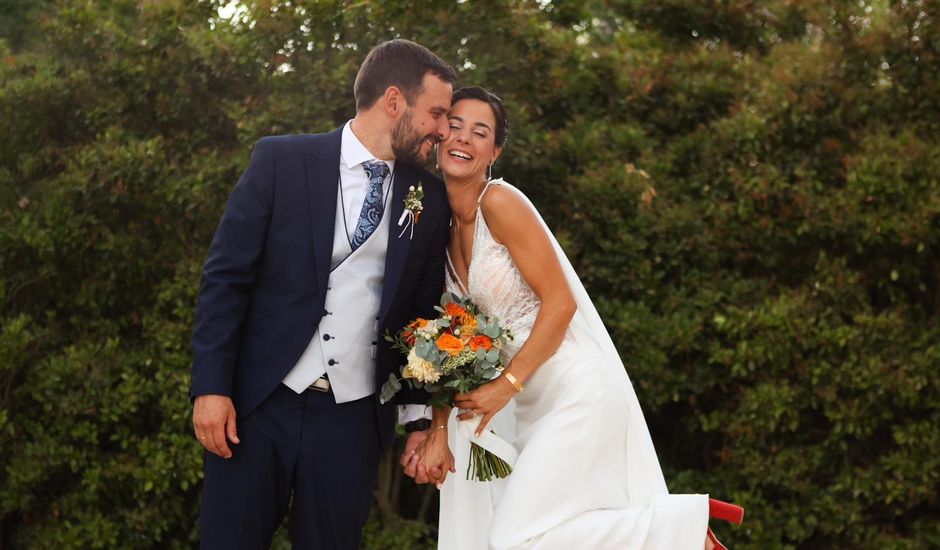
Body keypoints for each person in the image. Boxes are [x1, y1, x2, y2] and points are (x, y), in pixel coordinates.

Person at [402, 87, 745, 550]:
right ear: (440, 134)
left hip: (574, 390)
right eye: (455, 126)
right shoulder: (436, 227)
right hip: (526, 408)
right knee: (527, 535)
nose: (463, 138)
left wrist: (506, 386)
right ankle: (675, 532)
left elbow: (560, 305)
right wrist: (438, 430)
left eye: (479, 132)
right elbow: (451, 345)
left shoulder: (500, 203)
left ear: (495, 151)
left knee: (514, 538)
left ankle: (679, 529)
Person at [189, 39, 457, 549]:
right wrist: (211, 387)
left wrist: (419, 416)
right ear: (395, 102)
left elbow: (421, 318)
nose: (443, 130)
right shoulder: (281, 161)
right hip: (257, 406)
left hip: (352, 421)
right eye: (437, 113)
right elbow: (226, 279)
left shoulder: (430, 199)